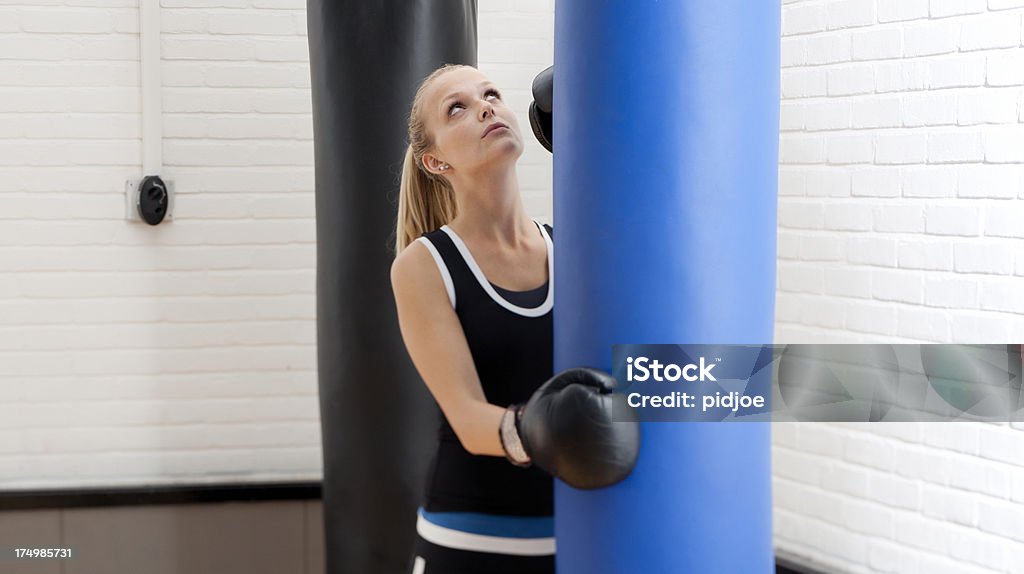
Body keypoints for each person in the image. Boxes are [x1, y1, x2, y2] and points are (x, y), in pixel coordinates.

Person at [390, 64, 638, 574]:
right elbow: (466, 417)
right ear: (435, 161)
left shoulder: (571, 246)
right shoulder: (424, 264)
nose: (485, 107)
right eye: (456, 108)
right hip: (470, 543)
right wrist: (546, 426)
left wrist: (769, 384)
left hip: (573, 539)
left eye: (491, 94)